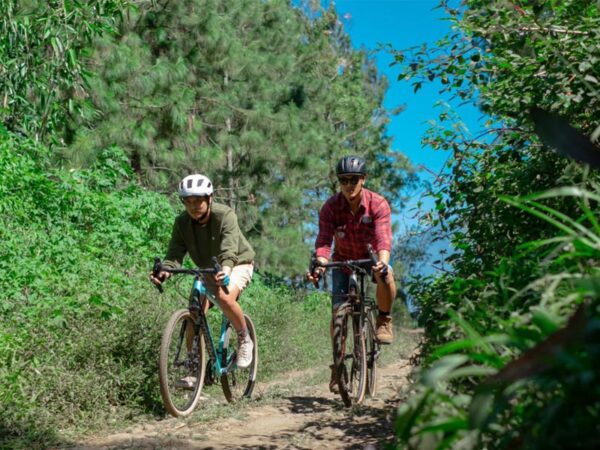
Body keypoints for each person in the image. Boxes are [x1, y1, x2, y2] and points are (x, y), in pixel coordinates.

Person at [307, 155, 396, 392]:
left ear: (363, 180)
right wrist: (320, 263)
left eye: (354, 179)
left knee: (386, 276)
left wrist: (383, 263)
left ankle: (384, 319)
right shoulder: (330, 207)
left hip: (370, 259)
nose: (349, 184)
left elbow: (383, 238)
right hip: (343, 262)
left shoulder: (378, 204)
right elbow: (324, 241)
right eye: (344, 180)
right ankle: (338, 367)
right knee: (338, 311)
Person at [150, 174, 255, 369]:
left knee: (225, 298)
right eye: (188, 201)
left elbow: (228, 249)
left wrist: (225, 270)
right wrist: (165, 271)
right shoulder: (181, 222)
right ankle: (194, 368)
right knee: (194, 313)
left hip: (238, 263)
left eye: (198, 200)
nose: (193, 206)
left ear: (209, 198)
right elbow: (174, 255)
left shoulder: (225, 215)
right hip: (207, 269)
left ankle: (244, 338)